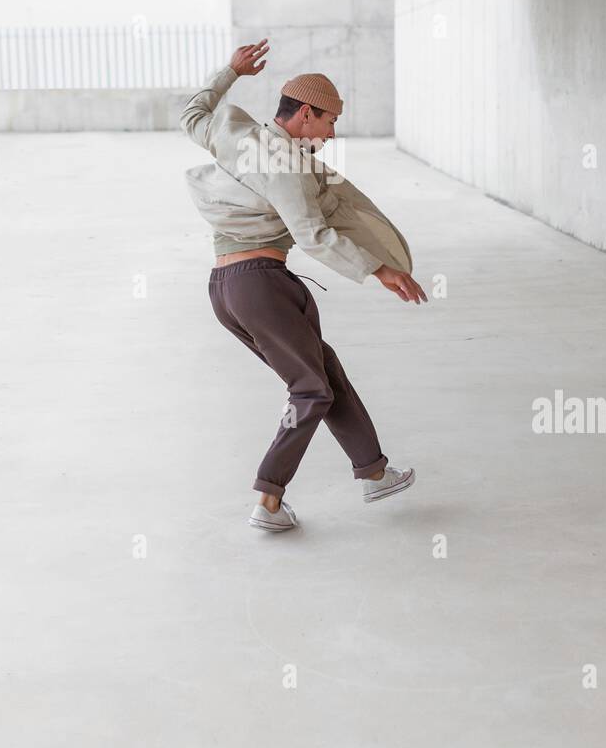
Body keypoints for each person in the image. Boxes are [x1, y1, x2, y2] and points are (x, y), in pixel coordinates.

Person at [180, 38, 428, 532]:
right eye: (331, 121)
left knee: (324, 371)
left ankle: (374, 472)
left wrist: (230, 71)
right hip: (262, 286)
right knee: (311, 389)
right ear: (307, 115)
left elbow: (193, 114)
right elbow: (313, 236)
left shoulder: (237, 133)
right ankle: (267, 500)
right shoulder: (288, 164)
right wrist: (380, 270)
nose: (332, 134)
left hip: (228, 288)